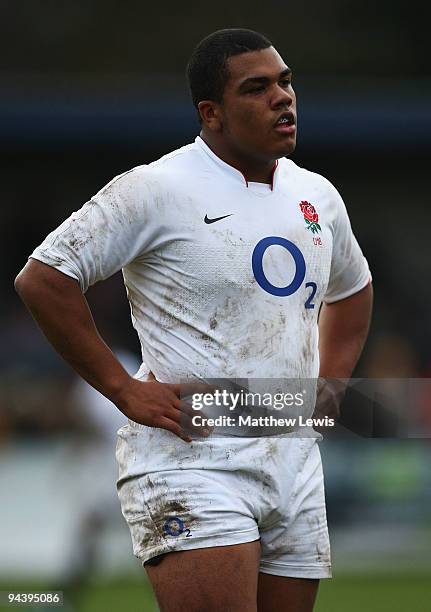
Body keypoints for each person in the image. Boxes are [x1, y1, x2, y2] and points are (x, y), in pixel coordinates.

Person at [15, 28, 373, 612]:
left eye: (285, 82)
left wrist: (328, 387)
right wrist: (123, 388)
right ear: (212, 113)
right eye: (257, 89)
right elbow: (44, 279)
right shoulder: (156, 187)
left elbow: (354, 291)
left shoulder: (318, 196)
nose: (282, 97)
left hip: (292, 462)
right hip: (191, 463)